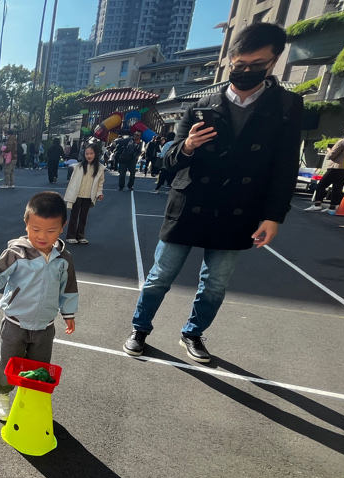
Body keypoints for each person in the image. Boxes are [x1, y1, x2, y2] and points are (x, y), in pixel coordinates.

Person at [124, 22, 303, 364]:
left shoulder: (285, 106)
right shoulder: (202, 104)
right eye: (239, 65)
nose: (246, 72)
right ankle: (139, 328)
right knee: (160, 275)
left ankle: (193, 333)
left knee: (215, 283)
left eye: (257, 65)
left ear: (274, 61)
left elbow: (285, 166)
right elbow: (167, 161)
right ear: (230, 62)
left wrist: (273, 216)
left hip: (239, 208)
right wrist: (188, 145)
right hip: (189, 204)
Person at [0, 192, 78, 421]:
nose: (42, 236)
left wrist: (68, 313)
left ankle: (31, 396)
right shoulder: (17, 253)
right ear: (26, 224)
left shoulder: (64, 259)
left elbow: (69, 287)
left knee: (39, 366)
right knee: (7, 361)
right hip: (15, 322)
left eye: (51, 231)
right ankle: (0, 394)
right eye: (35, 229)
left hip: (45, 326)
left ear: (62, 228)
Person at [306, 122, 344, 212]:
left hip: (336, 167)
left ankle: (317, 204)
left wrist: (329, 150)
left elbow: (331, 156)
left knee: (321, 185)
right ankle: (332, 207)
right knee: (337, 187)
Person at [63, 144, 106, 245]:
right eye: (87, 153)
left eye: (91, 153)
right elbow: (72, 182)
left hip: (88, 196)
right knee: (74, 216)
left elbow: (100, 182)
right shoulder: (78, 166)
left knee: (83, 216)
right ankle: (70, 236)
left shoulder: (100, 168)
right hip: (77, 195)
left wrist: (99, 193)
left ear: (96, 154)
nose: (89, 156)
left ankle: (80, 236)